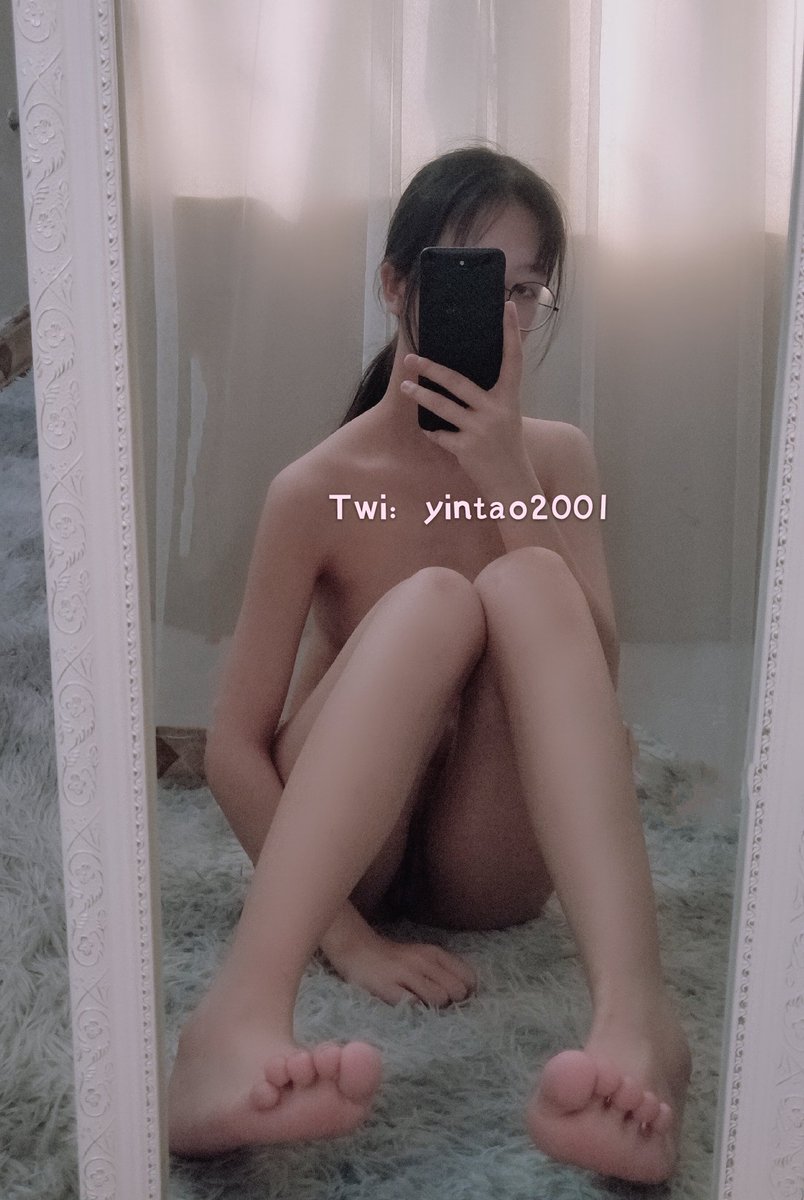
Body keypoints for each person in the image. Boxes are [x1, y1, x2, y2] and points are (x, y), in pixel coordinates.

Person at [167, 145, 692, 1185]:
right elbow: (232, 748)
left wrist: (507, 478)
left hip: (485, 865)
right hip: (346, 855)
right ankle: (234, 1022)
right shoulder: (317, 487)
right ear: (398, 286)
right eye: (471, 279)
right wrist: (349, 940)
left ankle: (640, 1024)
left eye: (526, 290)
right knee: (435, 602)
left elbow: (592, 681)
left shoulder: (560, 458)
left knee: (530, 586)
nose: (502, 315)